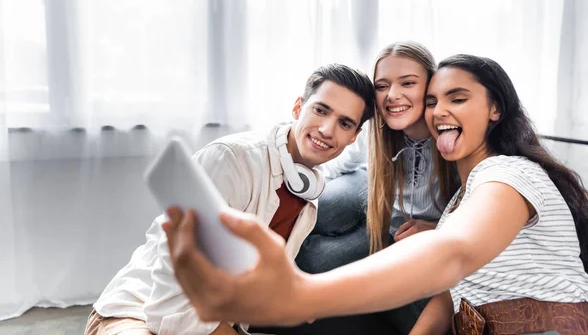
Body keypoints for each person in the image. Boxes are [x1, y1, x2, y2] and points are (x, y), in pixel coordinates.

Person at [163, 54, 588, 334]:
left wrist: (302, 295)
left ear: (495, 109)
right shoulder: (465, 198)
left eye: (458, 98)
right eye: (435, 100)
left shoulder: (508, 172)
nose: (440, 111)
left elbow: (454, 253)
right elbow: (448, 291)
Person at [84, 64, 375, 335]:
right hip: (138, 315)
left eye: (344, 123)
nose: (327, 130)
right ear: (298, 107)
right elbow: (172, 295)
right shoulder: (232, 159)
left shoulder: (308, 192)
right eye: (321, 110)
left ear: (354, 137)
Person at [261, 41, 457, 334]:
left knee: (314, 263)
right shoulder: (377, 133)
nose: (393, 95)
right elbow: (336, 164)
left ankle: (272, 288)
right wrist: (293, 169)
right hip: (372, 188)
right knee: (318, 207)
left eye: (408, 83)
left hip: (404, 231)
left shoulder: (450, 137)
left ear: (431, 86)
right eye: (382, 85)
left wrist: (438, 229)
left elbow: (480, 214)